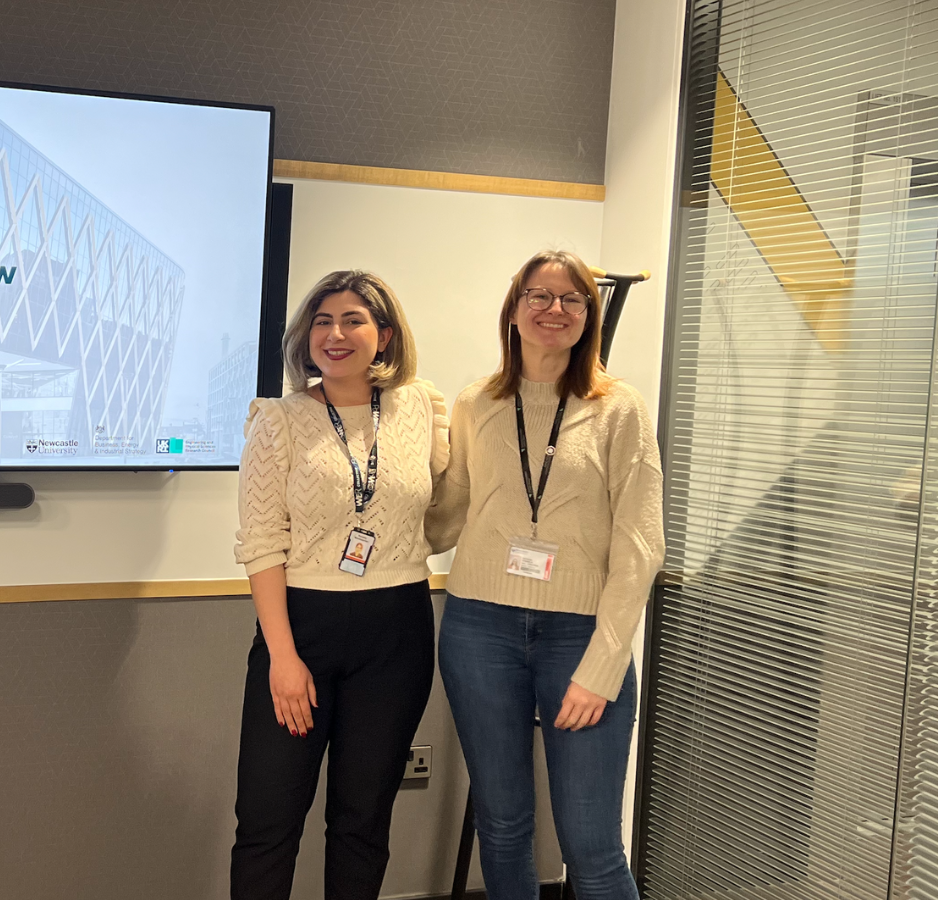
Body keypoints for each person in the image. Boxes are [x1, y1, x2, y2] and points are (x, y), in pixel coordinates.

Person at [427, 250, 664, 900]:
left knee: (592, 846)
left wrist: (602, 666)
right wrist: (397, 465)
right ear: (514, 308)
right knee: (502, 828)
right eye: (539, 296)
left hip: (580, 636)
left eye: (571, 299)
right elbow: (446, 518)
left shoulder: (620, 409)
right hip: (479, 629)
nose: (554, 310)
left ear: (589, 315)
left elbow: (641, 545)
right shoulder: (476, 402)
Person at [231, 270, 449, 899]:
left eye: (353, 320)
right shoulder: (279, 420)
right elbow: (262, 543)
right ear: (305, 338)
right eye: (322, 321)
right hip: (301, 632)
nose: (336, 333)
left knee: (362, 822)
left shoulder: (419, 409)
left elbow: (445, 506)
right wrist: (282, 658)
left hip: (397, 630)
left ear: (383, 335)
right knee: (268, 823)